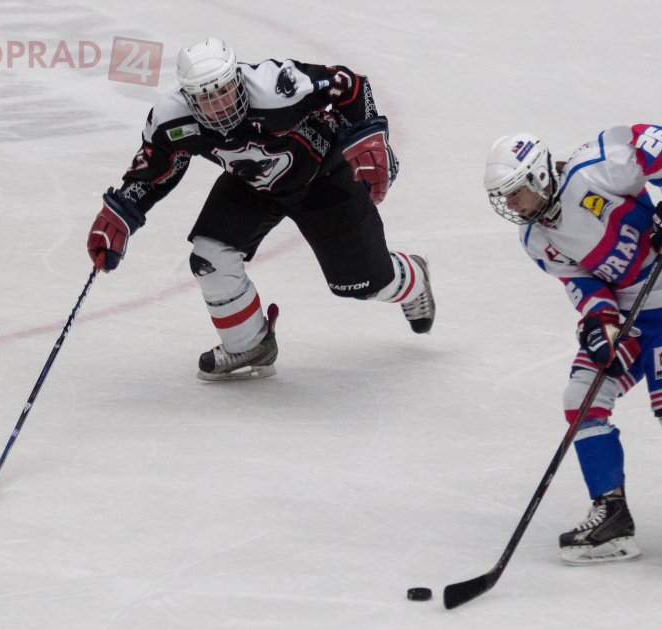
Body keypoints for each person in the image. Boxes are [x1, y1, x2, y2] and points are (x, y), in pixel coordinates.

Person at [482, 125, 662, 580]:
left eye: (515, 192)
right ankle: (611, 517)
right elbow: (582, 282)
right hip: (632, 313)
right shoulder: (535, 238)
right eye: (504, 197)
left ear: (538, 177)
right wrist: (600, 324)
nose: (510, 205)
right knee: (582, 398)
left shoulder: (594, 170)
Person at [87, 38, 435, 381]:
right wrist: (121, 212)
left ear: (237, 79)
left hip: (325, 179)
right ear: (188, 98)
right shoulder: (170, 119)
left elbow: (350, 85)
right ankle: (249, 344)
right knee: (209, 258)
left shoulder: (276, 86)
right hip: (252, 184)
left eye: (224, 91)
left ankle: (413, 277)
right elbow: (156, 168)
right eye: (205, 98)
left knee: (364, 284)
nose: (219, 106)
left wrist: (368, 136)